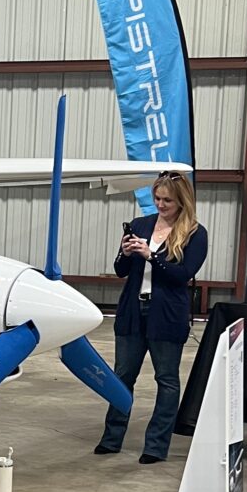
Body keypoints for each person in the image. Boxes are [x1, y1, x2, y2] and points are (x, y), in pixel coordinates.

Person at [94, 172, 208, 464]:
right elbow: (120, 270)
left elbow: (182, 275)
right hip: (133, 311)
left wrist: (151, 256)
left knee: (167, 380)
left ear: (181, 201)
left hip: (167, 315)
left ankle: (156, 446)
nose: (161, 204)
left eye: (167, 200)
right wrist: (125, 251)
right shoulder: (140, 225)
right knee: (122, 377)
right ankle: (111, 438)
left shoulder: (195, 233)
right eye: (157, 198)